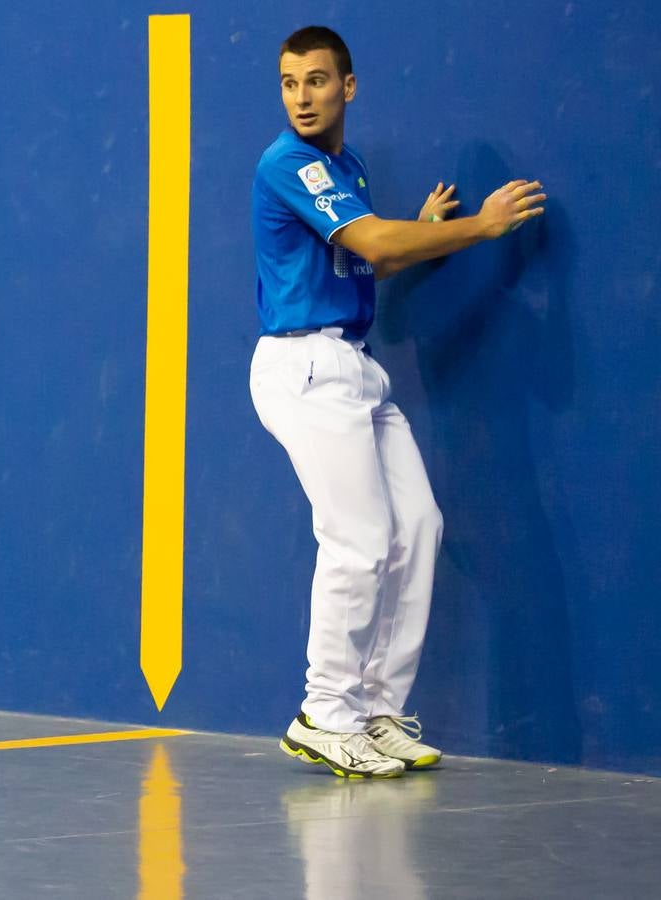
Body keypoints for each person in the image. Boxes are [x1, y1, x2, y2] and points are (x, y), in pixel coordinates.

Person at [250, 27, 545, 777]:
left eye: (316, 81)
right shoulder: (287, 164)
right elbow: (378, 247)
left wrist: (430, 231)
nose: (302, 97)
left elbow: (366, 261)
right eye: (289, 83)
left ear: (348, 87)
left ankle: (374, 711)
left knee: (417, 524)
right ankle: (324, 711)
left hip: (354, 365)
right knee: (358, 538)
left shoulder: (342, 168)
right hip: (305, 366)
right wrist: (482, 227)